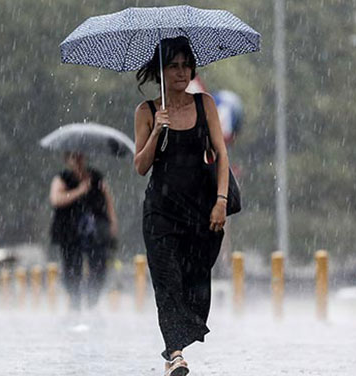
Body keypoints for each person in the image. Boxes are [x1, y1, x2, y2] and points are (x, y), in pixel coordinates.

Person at [133, 37, 230, 376]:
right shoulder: (146, 112)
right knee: (167, 282)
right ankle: (175, 355)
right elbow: (140, 166)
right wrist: (157, 131)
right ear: (161, 70)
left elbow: (221, 154)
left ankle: (176, 345)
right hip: (160, 213)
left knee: (194, 284)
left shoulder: (205, 104)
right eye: (173, 66)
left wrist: (221, 200)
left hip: (201, 213)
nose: (181, 72)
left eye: (186, 65)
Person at [49, 152, 118, 311]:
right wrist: (79, 191)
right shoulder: (62, 178)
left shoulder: (96, 177)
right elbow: (56, 199)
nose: (78, 160)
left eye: (81, 156)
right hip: (70, 232)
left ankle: (92, 300)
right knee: (72, 268)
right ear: (67, 160)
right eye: (74, 157)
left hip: (95, 232)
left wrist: (112, 222)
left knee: (99, 266)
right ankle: (75, 301)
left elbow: (108, 201)